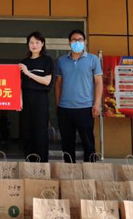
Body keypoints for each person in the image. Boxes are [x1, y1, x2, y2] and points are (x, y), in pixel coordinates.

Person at [55, 29, 103, 163]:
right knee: (67, 143)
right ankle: (69, 169)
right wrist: (58, 104)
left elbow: (98, 82)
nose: (77, 42)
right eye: (74, 40)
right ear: (69, 42)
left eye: (80, 40)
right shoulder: (61, 61)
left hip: (86, 107)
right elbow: (58, 83)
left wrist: (96, 104)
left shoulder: (93, 59)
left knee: (88, 143)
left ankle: (90, 169)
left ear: (84, 42)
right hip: (65, 108)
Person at [19, 31, 54, 162]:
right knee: (26, 133)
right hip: (26, 100)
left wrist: (28, 73)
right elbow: (19, 84)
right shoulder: (24, 62)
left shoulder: (47, 60)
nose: (34, 45)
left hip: (40, 99)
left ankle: (42, 165)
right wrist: (19, 100)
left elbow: (47, 81)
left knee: (40, 133)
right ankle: (29, 164)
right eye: (31, 43)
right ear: (28, 45)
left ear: (42, 44)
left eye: (37, 42)